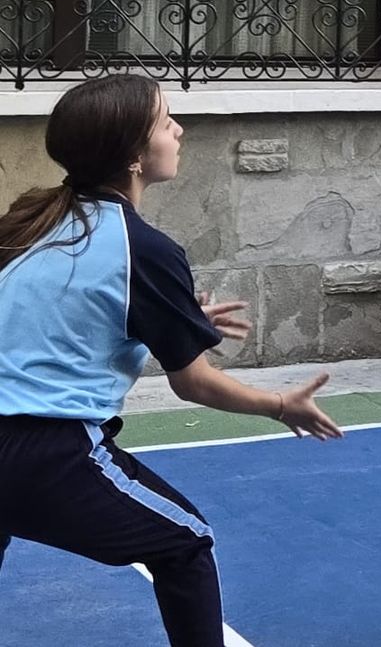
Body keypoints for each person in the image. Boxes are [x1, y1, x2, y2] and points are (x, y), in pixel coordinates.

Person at [0, 75, 343, 647]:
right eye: (165, 121)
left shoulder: (30, 226)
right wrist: (281, 404)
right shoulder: (143, 249)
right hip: (46, 454)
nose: (178, 130)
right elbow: (195, 385)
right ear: (135, 155)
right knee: (185, 544)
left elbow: (58, 314)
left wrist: (180, 319)